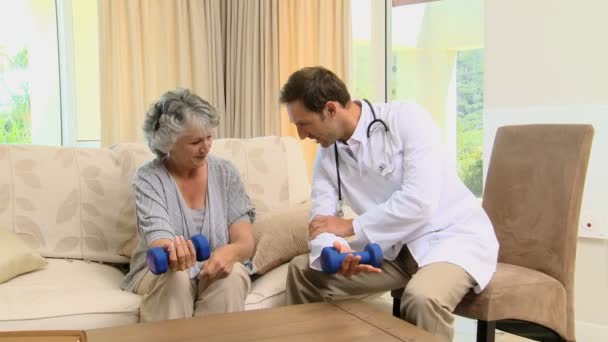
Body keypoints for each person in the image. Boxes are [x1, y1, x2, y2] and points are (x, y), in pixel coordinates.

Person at [279, 66, 498, 341]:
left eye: (303, 123)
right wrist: (334, 253)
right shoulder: (328, 154)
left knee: (421, 298)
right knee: (304, 271)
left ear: (331, 109)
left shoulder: (407, 119)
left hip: (449, 239)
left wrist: (351, 226)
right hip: (394, 249)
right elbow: (322, 220)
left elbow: (420, 201)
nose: (301, 135)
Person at [121, 88, 256, 322]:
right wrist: (172, 251)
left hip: (214, 268)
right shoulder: (148, 178)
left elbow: (245, 242)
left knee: (232, 275)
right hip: (159, 271)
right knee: (177, 277)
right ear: (167, 143)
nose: (206, 147)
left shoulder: (225, 173)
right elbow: (159, 237)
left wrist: (230, 252)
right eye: (195, 142)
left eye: (209, 137)